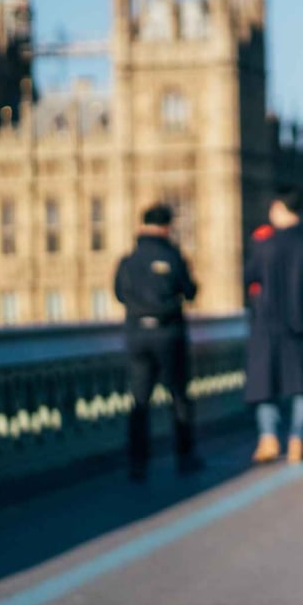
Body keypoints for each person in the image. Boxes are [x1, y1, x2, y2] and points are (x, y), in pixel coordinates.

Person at [244, 188, 303, 465]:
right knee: (302, 383)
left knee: (265, 382)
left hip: (267, 323)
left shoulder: (265, 244)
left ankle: (268, 437)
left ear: (282, 209)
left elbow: (249, 278)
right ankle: (298, 438)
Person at [115, 202, 201, 480]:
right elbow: (189, 291)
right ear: (166, 227)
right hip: (169, 334)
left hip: (138, 335)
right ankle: (185, 456)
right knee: (178, 398)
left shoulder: (128, 260)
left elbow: (119, 293)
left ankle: (137, 463)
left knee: (139, 401)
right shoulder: (173, 256)